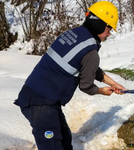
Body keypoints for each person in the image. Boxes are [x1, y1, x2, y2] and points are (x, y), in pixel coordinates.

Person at [14, 1, 126, 150]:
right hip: (41, 104)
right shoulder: (91, 52)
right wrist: (102, 91)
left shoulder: (73, 34)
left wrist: (113, 84)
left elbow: (89, 68)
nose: (109, 33)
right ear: (99, 24)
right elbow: (86, 86)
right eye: (109, 28)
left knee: (65, 140)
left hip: (34, 95)